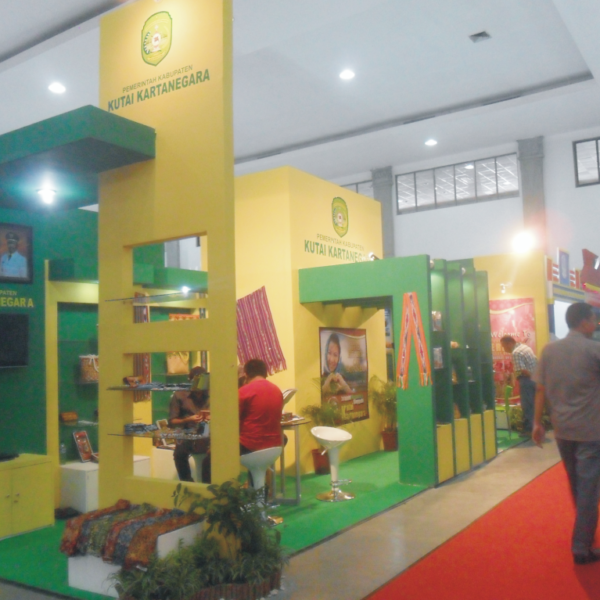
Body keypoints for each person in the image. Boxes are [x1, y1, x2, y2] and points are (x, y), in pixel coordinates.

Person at [532, 302, 600, 565]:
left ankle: (583, 528)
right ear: (583, 322)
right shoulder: (594, 350)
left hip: (562, 431)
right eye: (593, 319)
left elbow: (540, 389)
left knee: (577, 485)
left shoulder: (549, 350)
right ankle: (581, 547)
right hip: (591, 431)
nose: (595, 324)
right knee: (588, 490)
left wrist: (537, 423)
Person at [201, 358, 283, 484]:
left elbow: (231, 423)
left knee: (209, 461)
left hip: (251, 445)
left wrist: (216, 445)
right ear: (265, 372)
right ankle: (257, 489)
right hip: (274, 446)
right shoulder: (277, 390)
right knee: (256, 463)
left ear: (246, 374)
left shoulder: (244, 392)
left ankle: (211, 494)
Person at [168, 366, 210, 482]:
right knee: (179, 454)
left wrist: (211, 418)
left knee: (213, 454)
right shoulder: (180, 395)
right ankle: (187, 482)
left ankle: (207, 485)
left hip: (209, 434)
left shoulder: (211, 394)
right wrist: (188, 420)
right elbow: (172, 421)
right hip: (188, 434)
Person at [500, 335, 537, 435]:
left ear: (509, 343)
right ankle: (535, 427)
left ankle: (529, 429)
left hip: (527, 380)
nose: (504, 349)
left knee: (527, 405)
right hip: (534, 380)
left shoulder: (516, 353)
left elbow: (522, 370)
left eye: (504, 346)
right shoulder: (525, 347)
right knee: (533, 405)